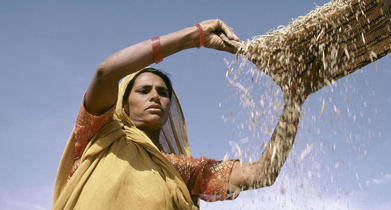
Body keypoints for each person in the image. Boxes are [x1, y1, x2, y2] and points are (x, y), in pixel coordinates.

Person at [53, 19, 312, 210]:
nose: (155, 96)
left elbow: (262, 173)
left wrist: (294, 100)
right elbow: (105, 73)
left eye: (163, 93)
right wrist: (194, 37)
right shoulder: (100, 134)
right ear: (123, 101)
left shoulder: (180, 170)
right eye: (143, 90)